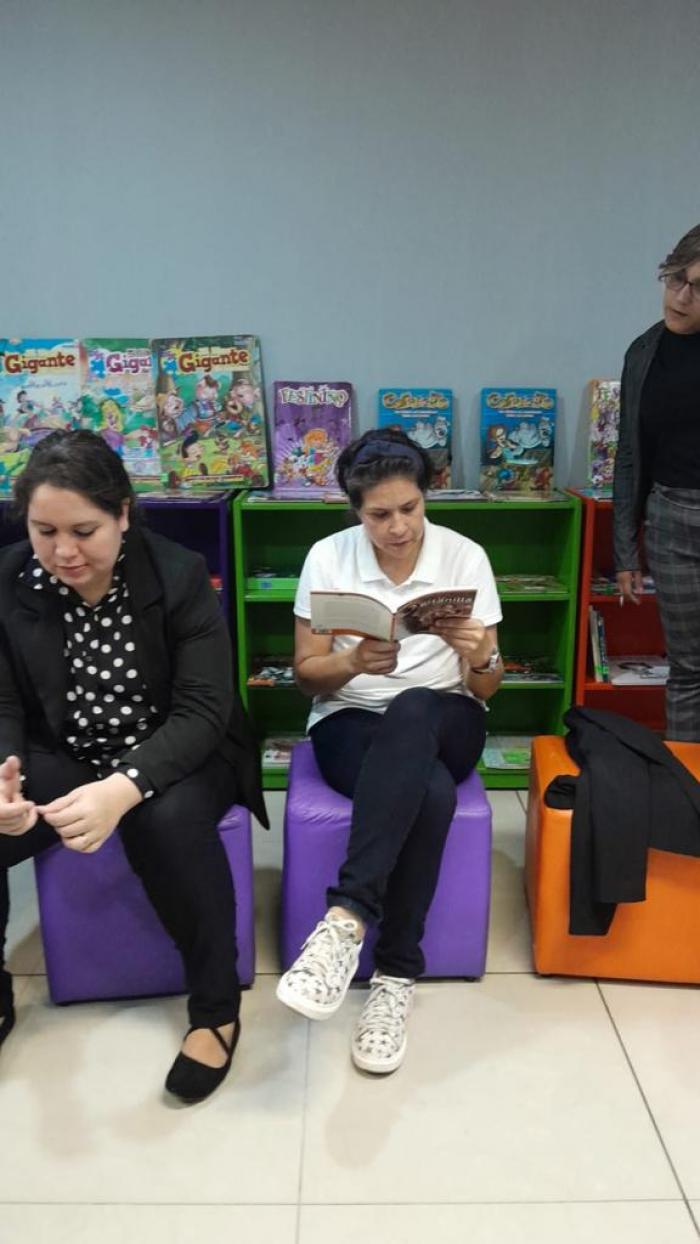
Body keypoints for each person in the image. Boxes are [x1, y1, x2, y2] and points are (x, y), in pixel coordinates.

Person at [0, 430, 267, 1101]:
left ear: (123, 513)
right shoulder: (9, 582)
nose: (64, 551)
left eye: (84, 531)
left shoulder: (177, 575)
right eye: (44, 531)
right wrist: (4, 774)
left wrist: (125, 787)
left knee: (166, 820)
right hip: (68, 749)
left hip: (180, 747)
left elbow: (203, 709)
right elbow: (4, 702)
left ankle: (216, 1010)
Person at [276, 428, 502, 1073]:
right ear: (355, 511)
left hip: (448, 715)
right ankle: (397, 975)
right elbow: (306, 676)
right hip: (349, 719)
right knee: (427, 791)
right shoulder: (328, 557)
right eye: (379, 515)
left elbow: (486, 687)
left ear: (426, 498)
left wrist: (482, 655)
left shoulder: (465, 556)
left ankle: (346, 917)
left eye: (410, 508)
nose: (398, 527)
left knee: (415, 705)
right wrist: (350, 662)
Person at [613, 222, 700, 741]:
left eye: (698, 288)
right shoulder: (644, 352)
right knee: (688, 670)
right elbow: (629, 454)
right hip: (672, 522)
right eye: (675, 279)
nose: (681, 297)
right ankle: (687, 780)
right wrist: (626, 551)